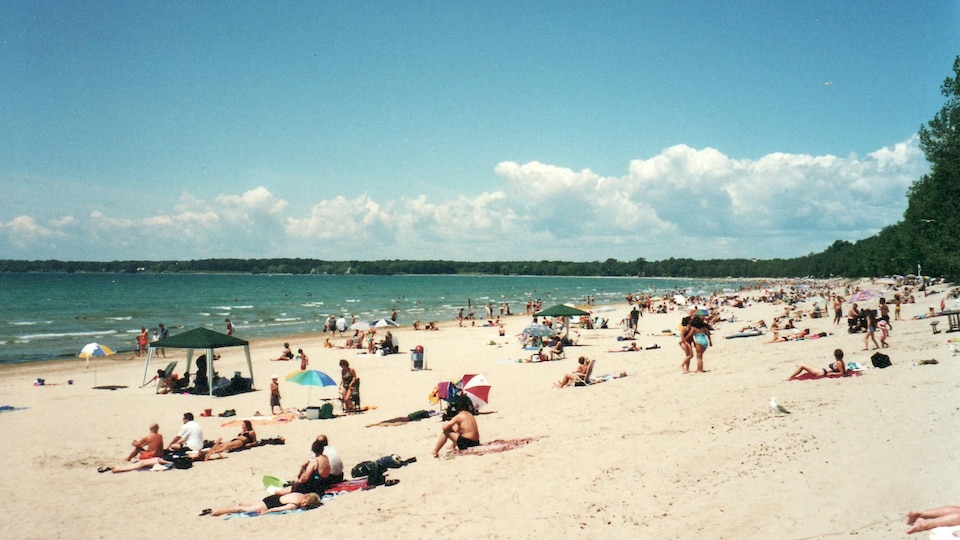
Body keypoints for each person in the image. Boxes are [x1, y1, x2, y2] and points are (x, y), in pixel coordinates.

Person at [202, 492, 320, 517]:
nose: (303, 505)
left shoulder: (300, 495)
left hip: (272, 498)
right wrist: (266, 512)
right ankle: (218, 511)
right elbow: (278, 509)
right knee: (242, 509)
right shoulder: (294, 505)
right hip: (270, 504)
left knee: (250, 504)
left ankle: (245, 502)